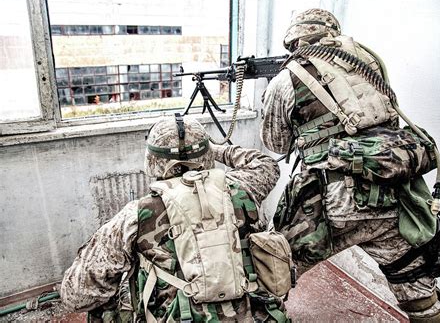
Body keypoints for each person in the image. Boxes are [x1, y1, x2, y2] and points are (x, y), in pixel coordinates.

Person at [261, 8, 440, 322]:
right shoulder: (368, 62)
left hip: (327, 204)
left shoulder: (287, 78)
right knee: (417, 292)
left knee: (271, 269)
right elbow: (388, 120)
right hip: (391, 196)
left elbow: (276, 144)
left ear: (294, 38)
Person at [61, 115, 289, 322]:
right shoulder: (244, 187)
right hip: (250, 312)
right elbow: (265, 163)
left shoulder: (134, 215)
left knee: (104, 306)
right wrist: (215, 149)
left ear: (151, 160)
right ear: (206, 154)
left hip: (180, 316)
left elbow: (76, 296)